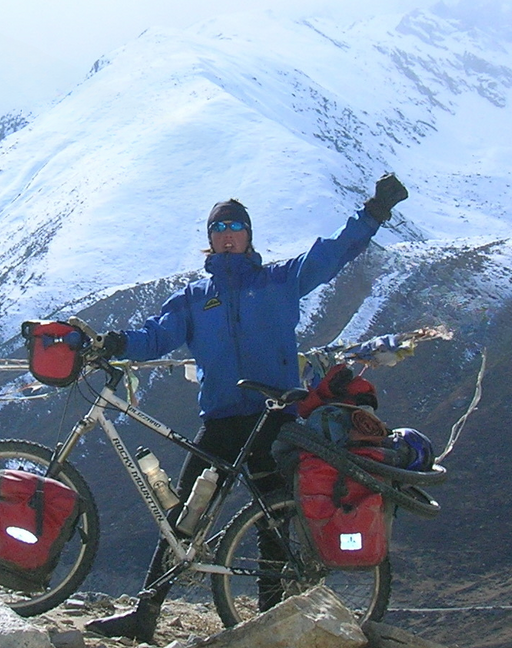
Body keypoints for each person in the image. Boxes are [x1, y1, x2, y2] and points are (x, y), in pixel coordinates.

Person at [85, 173, 409, 642]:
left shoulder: (279, 281)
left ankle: (268, 616)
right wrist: (115, 342)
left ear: (249, 235)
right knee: (185, 520)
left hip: (273, 417)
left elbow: (333, 254)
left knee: (273, 517)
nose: (229, 234)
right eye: (220, 228)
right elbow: (156, 335)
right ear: (210, 240)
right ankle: (145, 614)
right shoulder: (196, 300)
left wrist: (375, 212)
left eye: (236, 226)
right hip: (219, 419)